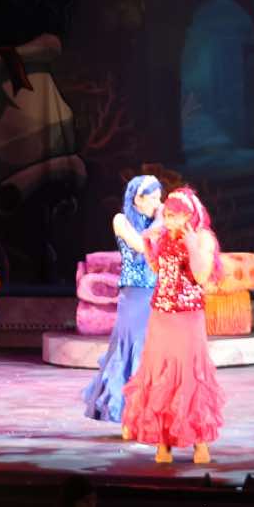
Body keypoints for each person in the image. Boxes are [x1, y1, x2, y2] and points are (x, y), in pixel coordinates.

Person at [118, 188, 225, 464]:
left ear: (190, 215)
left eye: (176, 216)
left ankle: (200, 442)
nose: (170, 221)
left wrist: (190, 244)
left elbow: (201, 275)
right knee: (160, 376)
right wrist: (150, 244)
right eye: (167, 215)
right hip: (161, 315)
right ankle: (163, 442)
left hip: (188, 317)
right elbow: (158, 269)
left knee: (191, 376)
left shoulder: (203, 237)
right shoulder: (165, 235)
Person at [80, 175, 163, 426]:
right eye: (153, 198)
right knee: (131, 346)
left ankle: (151, 410)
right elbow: (140, 245)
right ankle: (126, 410)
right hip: (134, 293)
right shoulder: (121, 220)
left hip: (157, 292)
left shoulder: (160, 223)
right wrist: (161, 220)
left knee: (153, 348)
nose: (158, 203)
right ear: (138, 199)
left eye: (160, 198)